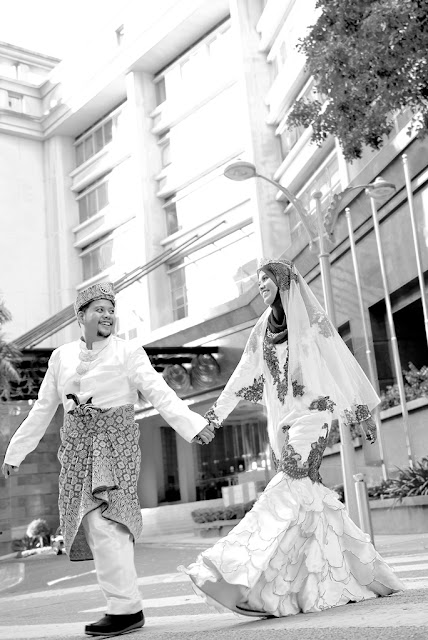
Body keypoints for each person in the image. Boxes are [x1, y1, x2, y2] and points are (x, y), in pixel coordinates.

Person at [180, 258, 404, 618]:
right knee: (308, 502)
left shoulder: (312, 321)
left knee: (284, 489)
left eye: (265, 280)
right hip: (281, 422)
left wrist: (360, 414)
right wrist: (215, 417)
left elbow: (339, 364)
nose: (261, 286)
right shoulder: (261, 329)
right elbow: (241, 376)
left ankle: (237, 573)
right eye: (258, 282)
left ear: (283, 282)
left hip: (315, 414)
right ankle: (359, 577)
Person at [2, 282, 214, 637]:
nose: (108, 316)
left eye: (111, 310)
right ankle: (124, 607)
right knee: (93, 524)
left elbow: (159, 392)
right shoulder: (61, 357)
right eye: (99, 309)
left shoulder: (127, 351)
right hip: (76, 448)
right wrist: (16, 452)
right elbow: (43, 408)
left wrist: (192, 426)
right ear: (81, 315)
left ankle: (125, 609)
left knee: (108, 522)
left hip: (115, 444)